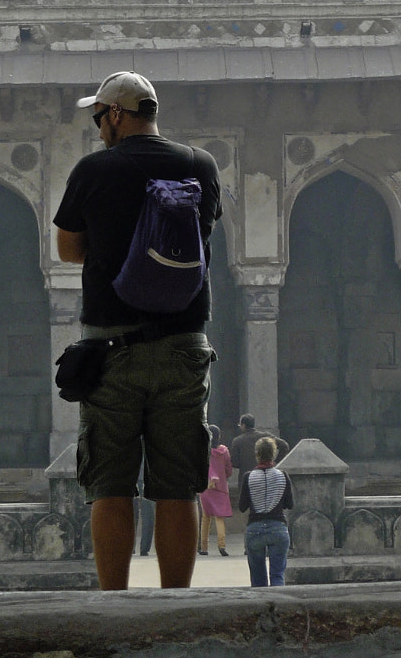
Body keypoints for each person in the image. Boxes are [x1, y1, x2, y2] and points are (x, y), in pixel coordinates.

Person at [54, 71, 222, 591]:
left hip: (113, 348)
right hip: (183, 347)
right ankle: (175, 603)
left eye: (99, 115)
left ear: (118, 115)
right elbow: (204, 232)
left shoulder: (94, 169)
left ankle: (115, 605)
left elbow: (68, 250)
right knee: (177, 485)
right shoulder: (199, 164)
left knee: (110, 484)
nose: (98, 125)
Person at [238, 436, 293, 587]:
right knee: (277, 575)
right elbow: (290, 504)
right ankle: (279, 609)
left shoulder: (248, 477)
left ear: (257, 454)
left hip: (255, 529)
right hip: (278, 527)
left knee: (258, 579)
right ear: (274, 454)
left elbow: (242, 506)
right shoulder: (283, 476)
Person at [198, 424, 233, 557]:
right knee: (219, 518)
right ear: (219, 436)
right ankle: (222, 545)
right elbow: (228, 468)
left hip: (206, 487)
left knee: (206, 518)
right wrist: (224, 476)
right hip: (221, 487)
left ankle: (204, 547)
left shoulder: (203, 450)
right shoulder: (224, 451)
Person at [230, 414, 288, 487]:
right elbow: (284, 446)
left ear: (243, 425)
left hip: (246, 478)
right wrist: (276, 462)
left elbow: (234, 462)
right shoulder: (265, 436)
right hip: (266, 476)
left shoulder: (237, 441)